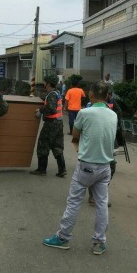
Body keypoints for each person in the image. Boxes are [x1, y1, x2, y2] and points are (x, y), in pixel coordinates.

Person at [43, 81, 117, 255]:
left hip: (86, 165)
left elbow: (75, 134)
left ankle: (63, 238)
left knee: (74, 201)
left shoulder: (85, 113)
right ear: (107, 96)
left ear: (90, 95)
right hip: (105, 166)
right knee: (101, 204)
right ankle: (99, 243)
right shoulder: (113, 115)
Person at [30, 74, 66, 177]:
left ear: (49, 83)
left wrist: (40, 111)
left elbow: (51, 109)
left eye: (45, 82)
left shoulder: (52, 95)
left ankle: (42, 170)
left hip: (51, 124)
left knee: (43, 145)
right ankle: (62, 169)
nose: (44, 84)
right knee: (57, 146)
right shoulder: (57, 93)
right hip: (58, 123)